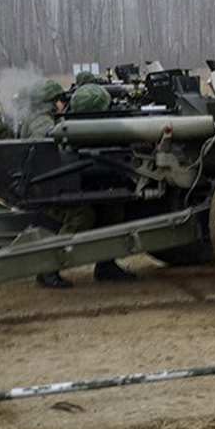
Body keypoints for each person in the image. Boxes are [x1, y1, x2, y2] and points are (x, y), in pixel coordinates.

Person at [34, 82, 135, 288]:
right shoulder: (59, 129)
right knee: (82, 216)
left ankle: (106, 265)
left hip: (76, 187)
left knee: (112, 207)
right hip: (54, 193)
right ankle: (48, 268)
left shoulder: (73, 126)